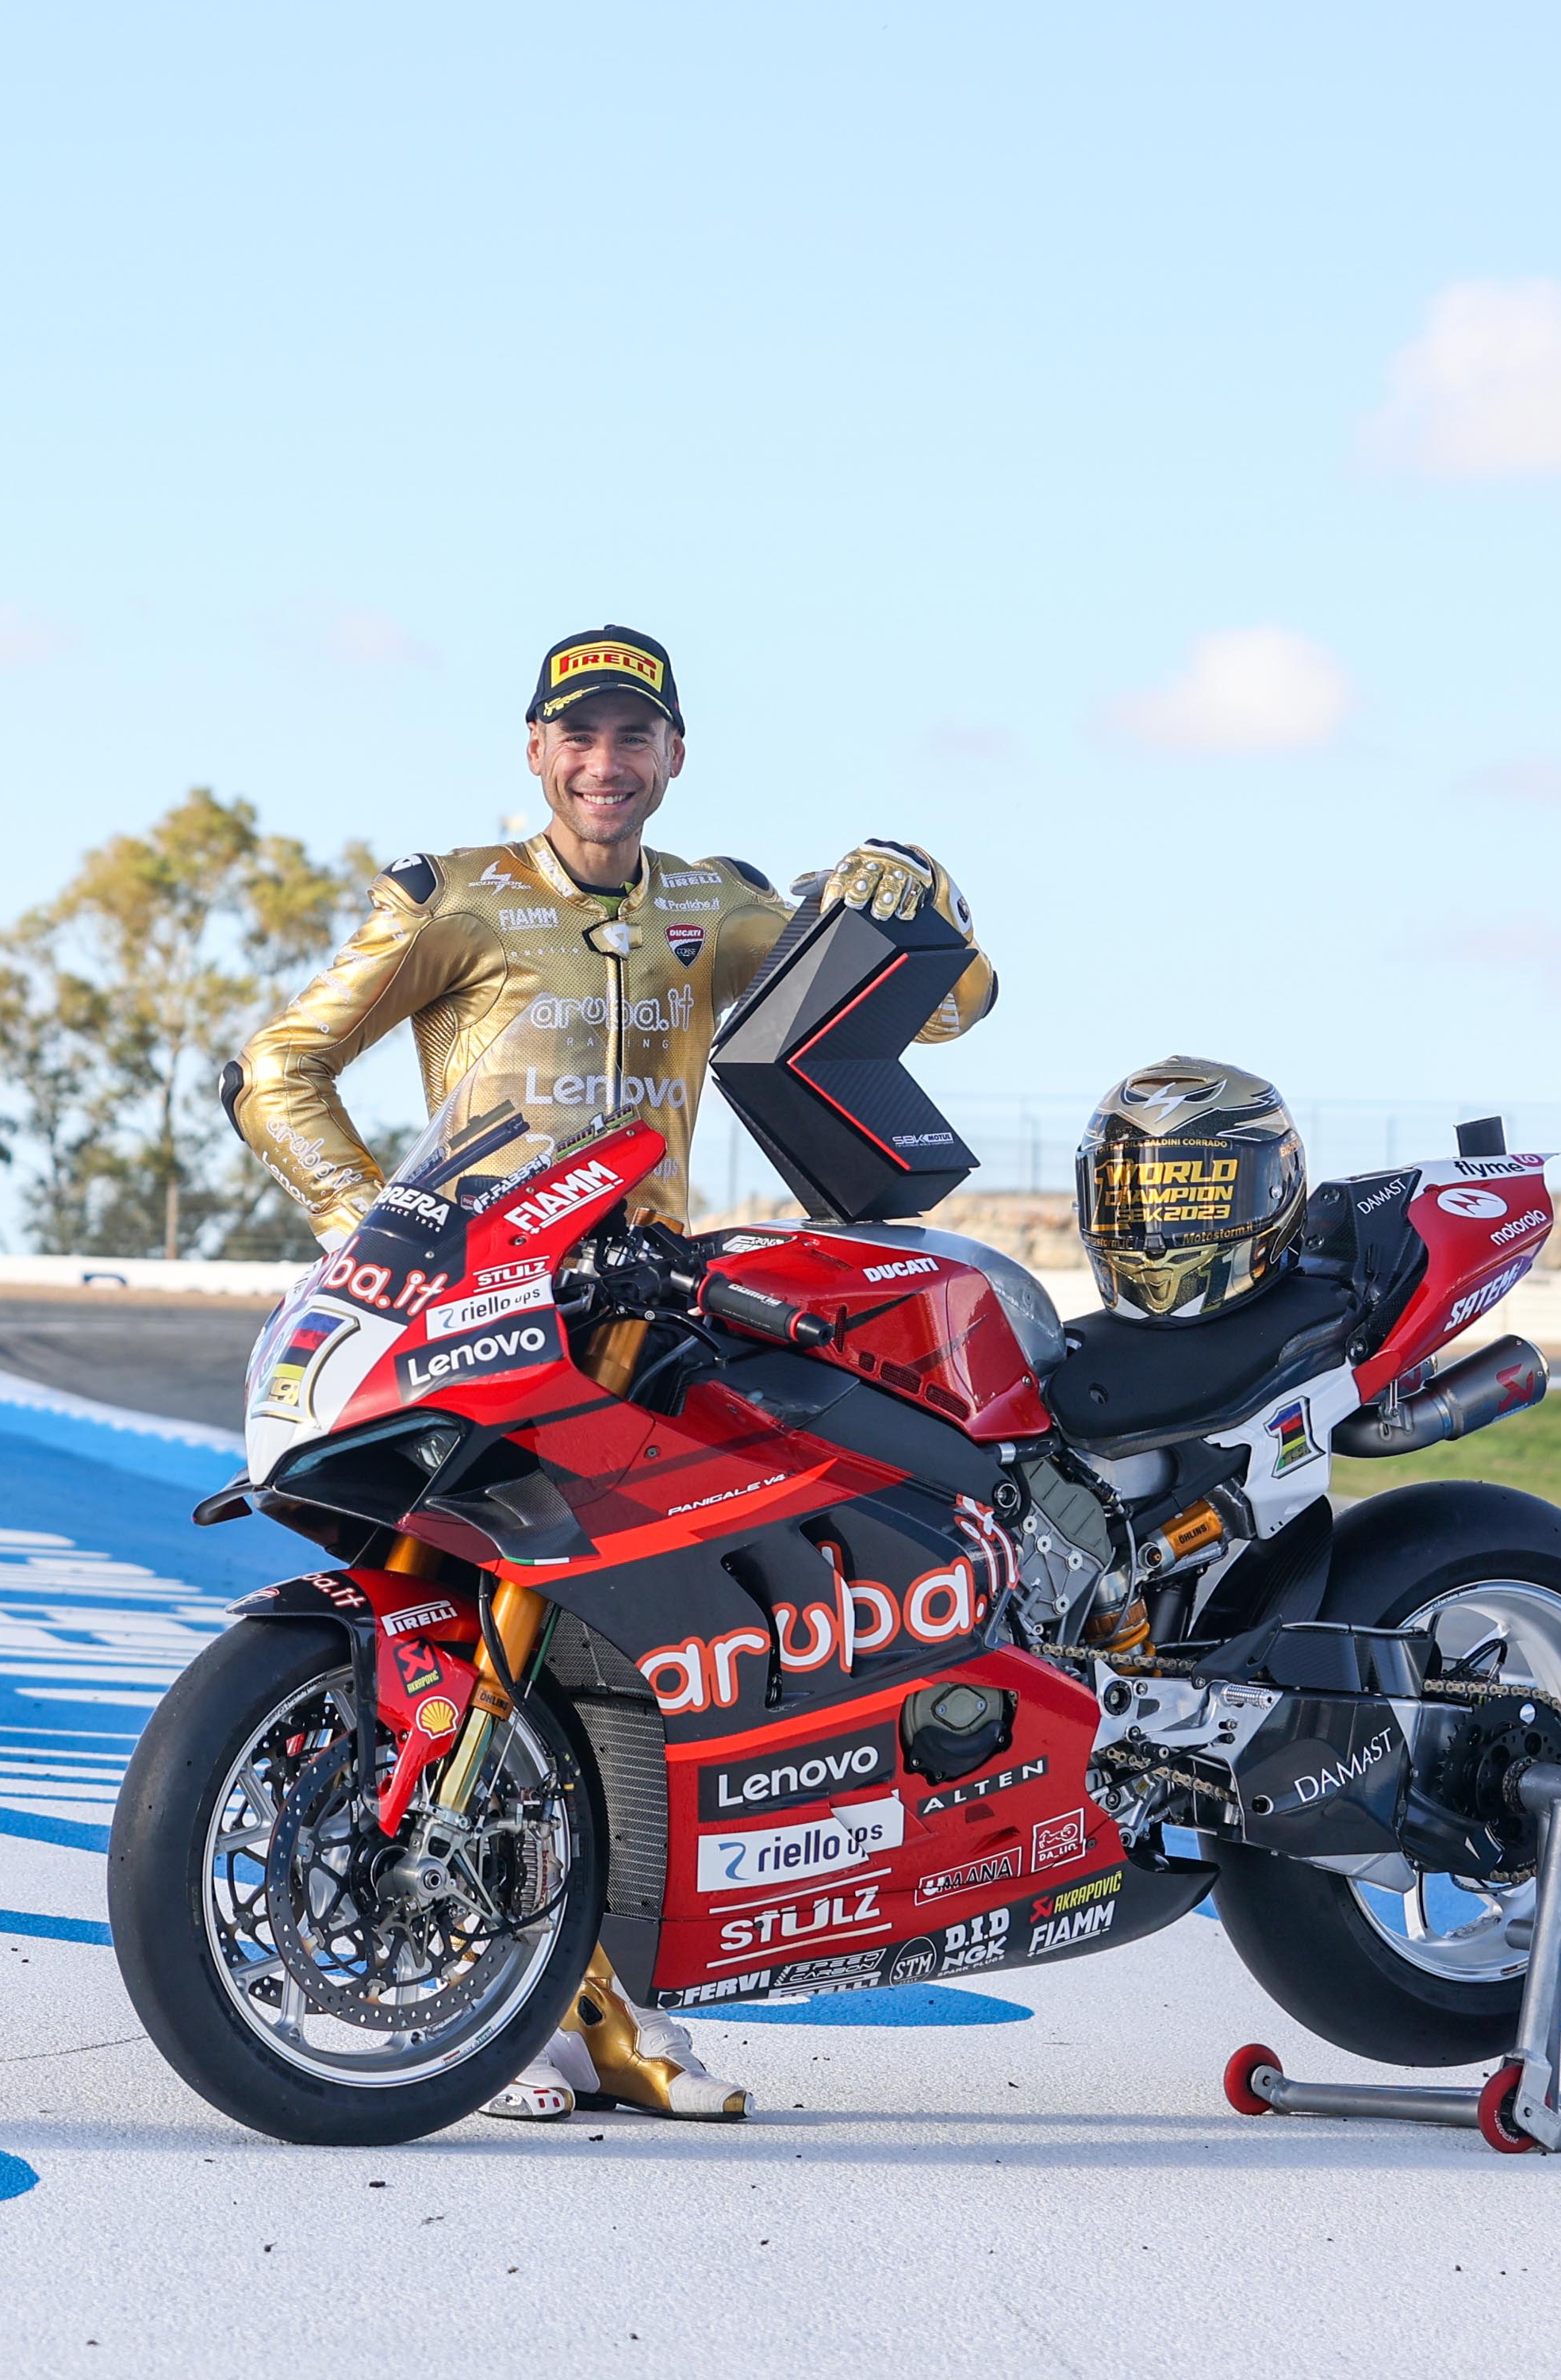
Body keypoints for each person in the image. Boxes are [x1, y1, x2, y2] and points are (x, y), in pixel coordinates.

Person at [222, 623, 1000, 2124]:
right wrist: (367, 1228)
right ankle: (488, 1986)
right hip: (471, 1309)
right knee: (467, 1631)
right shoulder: (454, 899)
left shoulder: (723, 905)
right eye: (578, 735)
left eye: (634, 736)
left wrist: (929, 907)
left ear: (674, 758)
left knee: (654, 1651)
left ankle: (614, 2004)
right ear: (534, 749)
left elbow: (948, 1011)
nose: (605, 763)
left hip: (653, 1320)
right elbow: (278, 1068)